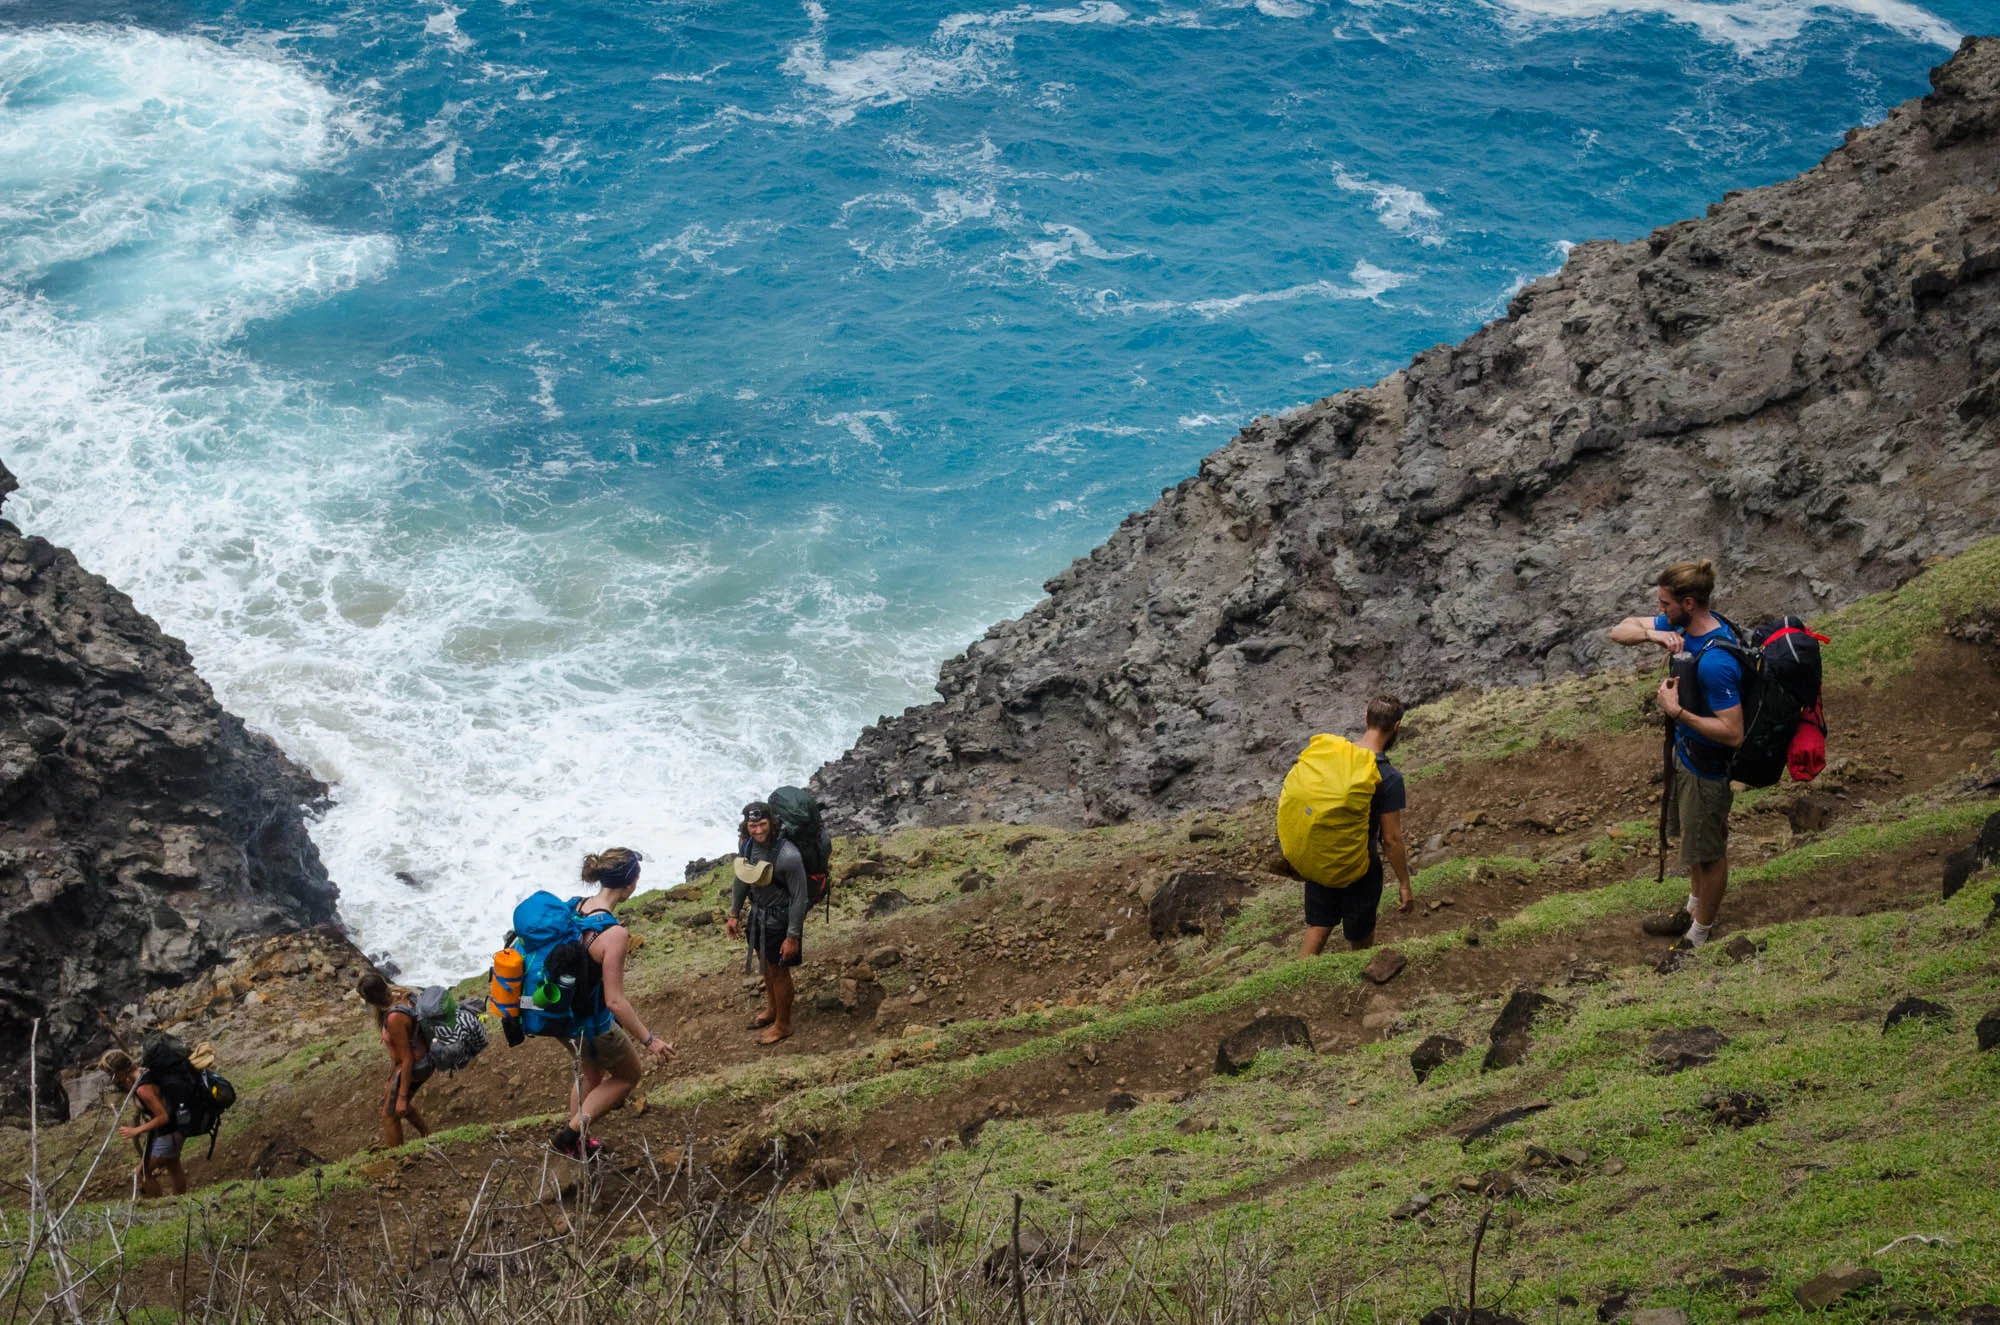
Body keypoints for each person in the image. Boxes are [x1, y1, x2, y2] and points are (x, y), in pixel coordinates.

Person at [1608, 559, 1745, 947]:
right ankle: (1691, 910)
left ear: (1688, 603)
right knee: (1694, 845)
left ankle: (1698, 935)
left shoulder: (1716, 661)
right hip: (1686, 757)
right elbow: (1619, 630)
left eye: (1665, 604)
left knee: (1709, 853)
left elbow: (1733, 732)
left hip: (1707, 769)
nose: (1660, 610)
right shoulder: (1683, 626)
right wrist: (1653, 635)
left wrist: (1677, 711)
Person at [553, 847, 676, 1160]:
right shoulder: (614, 934)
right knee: (627, 1076)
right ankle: (571, 1134)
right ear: (629, 884)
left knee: (590, 1074)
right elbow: (615, 1001)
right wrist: (650, 1041)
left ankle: (577, 1143)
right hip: (594, 1025)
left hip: (563, 1018)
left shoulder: (575, 907)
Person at [1300, 694, 1415, 956]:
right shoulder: (1388, 776)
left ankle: (1297, 977)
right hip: (1361, 867)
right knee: (1360, 938)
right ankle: (1359, 978)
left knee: (1318, 928)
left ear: (1366, 718)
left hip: (1323, 858)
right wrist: (1404, 883)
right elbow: (1391, 839)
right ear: (1396, 726)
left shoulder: (1335, 757)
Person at [727, 802, 809, 1046]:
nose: (758, 830)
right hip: (758, 914)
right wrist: (734, 913)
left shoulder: (788, 855)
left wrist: (792, 936)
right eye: (753, 826)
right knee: (766, 965)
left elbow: (799, 897)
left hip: (781, 918)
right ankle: (773, 1010)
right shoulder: (747, 845)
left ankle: (783, 1024)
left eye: (762, 824)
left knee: (779, 971)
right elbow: (742, 878)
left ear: (771, 823)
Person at [357, 971, 432, 1149]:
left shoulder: (395, 1018)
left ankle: (397, 1157)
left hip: (414, 1067)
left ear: (371, 999)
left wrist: (403, 1096)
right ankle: (427, 1134)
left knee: (389, 1115)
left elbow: (407, 1059)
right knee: (391, 1103)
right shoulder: (399, 994)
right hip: (422, 1059)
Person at [103, 1049, 186, 1198]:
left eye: (112, 1075)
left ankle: (158, 1204)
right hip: (176, 1128)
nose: (113, 1079)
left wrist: (137, 1130)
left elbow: (163, 1117)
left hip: (170, 1133)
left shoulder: (143, 1088)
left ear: (119, 1072)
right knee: (173, 1165)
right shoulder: (143, 1072)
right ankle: (181, 1201)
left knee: (141, 1173)